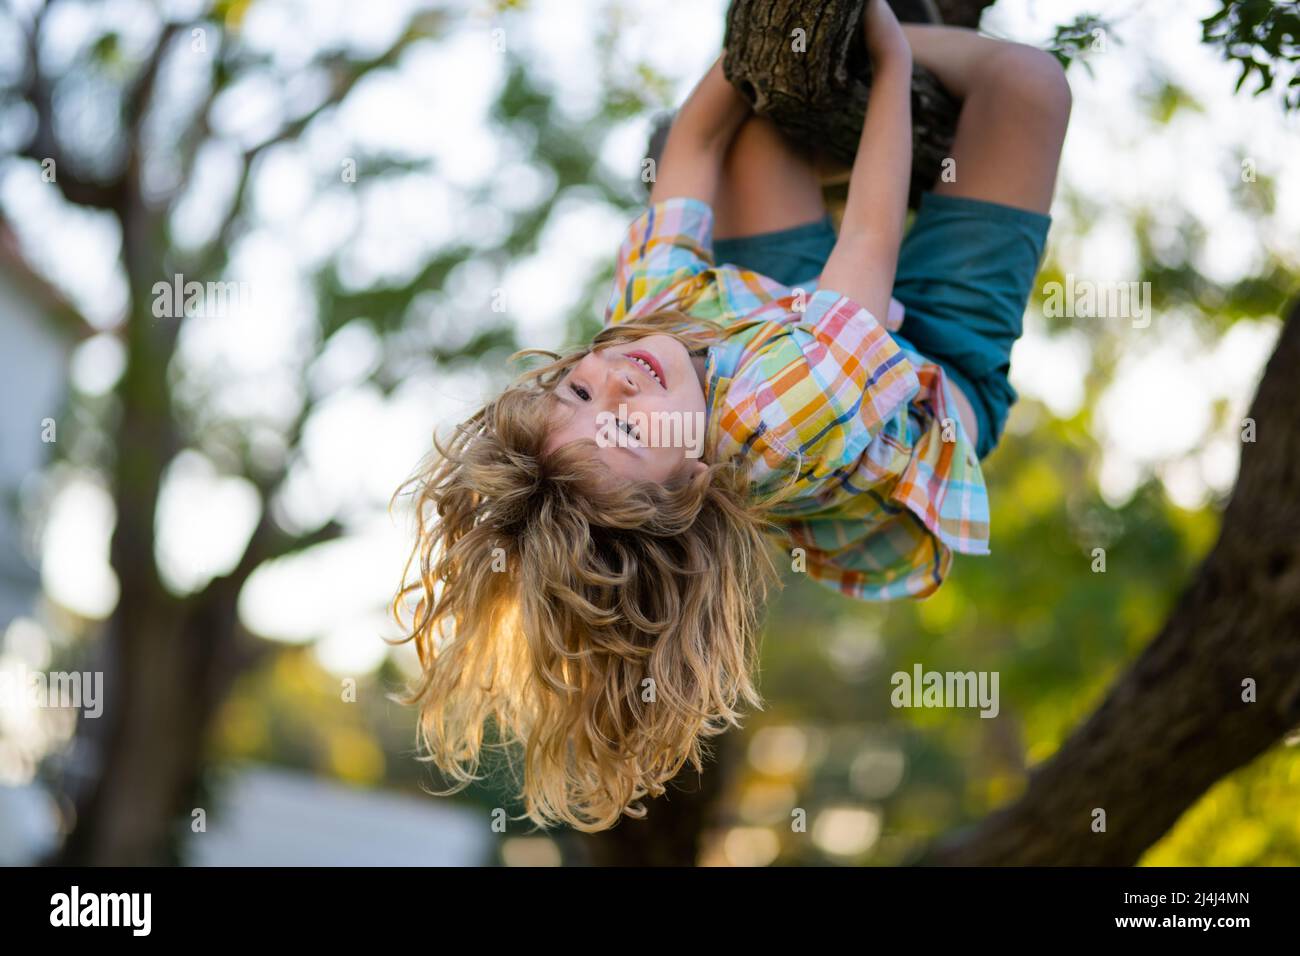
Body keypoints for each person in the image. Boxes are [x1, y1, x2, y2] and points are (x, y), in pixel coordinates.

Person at [393, 0, 1072, 832]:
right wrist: (885, 54)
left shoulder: (642, 340)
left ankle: (831, 103)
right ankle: (891, 70)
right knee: (1032, 86)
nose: (617, 386)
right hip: (933, 369)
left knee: (756, 129)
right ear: (691, 481)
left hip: (779, 318)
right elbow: (870, 238)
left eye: (576, 392)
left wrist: (764, 46)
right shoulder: (775, 421)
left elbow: (694, 142)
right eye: (632, 432)